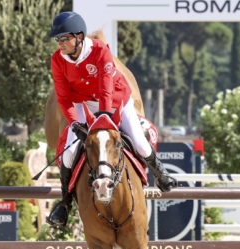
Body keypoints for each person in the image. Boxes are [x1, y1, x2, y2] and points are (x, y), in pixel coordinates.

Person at [46, 11, 177, 227]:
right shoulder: (57, 60)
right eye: (58, 39)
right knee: (69, 153)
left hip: (115, 102)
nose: (60, 43)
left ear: (79, 37)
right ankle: (65, 204)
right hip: (83, 105)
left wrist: (104, 117)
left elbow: (106, 87)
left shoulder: (99, 50)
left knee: (140, 143)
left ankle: (160, 173)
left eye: (64, 38)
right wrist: (75, 123)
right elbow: (64, 97)